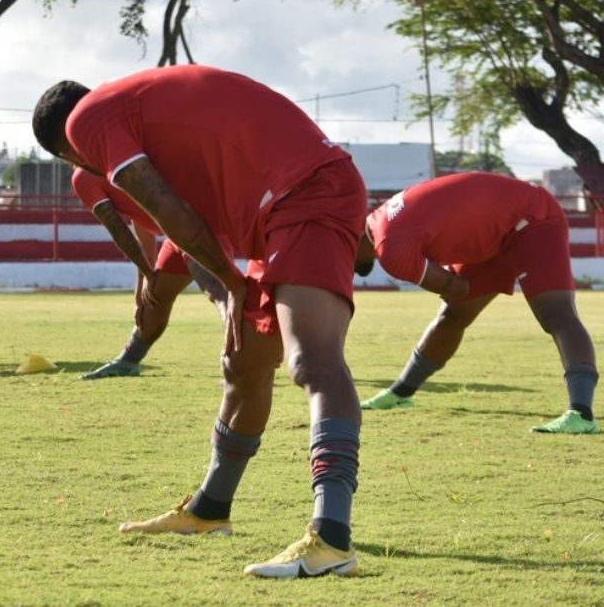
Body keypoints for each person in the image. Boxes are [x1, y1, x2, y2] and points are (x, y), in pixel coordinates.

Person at [33, 64, 367, 578]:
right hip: (282, 206)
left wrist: (232, 286)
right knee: (244, 365)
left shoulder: (88, 122)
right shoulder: (140, 110)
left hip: (306, 194)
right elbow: (192, 221)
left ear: (65, 150)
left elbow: (167, 211)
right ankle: (210, 511)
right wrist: (230, 286)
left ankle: (332, 538)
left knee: (314, 362)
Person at [356, 172, 598, 434]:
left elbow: (458, 288)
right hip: (499, 229)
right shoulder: (381, 217)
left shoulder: (391, 249)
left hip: (532, 218)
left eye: (341, 246)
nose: (341, 257)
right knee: (453, 317)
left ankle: (582, 414)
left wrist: (451, 280)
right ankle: (401, 392)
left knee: (556, 314)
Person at [71, 167, 227, 379]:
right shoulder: (115, 160)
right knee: (156, 297)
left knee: (221, 294)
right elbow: (139, 214)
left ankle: (247, 363)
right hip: (179, 229)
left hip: (192, 223)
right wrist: (145, 276)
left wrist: (147, 272)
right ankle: (128, 361)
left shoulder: (84, 176)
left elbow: (118, 229)